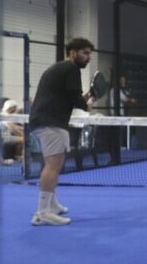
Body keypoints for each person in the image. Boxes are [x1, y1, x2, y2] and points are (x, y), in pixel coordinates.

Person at [27, 38, 96, 225]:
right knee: (52, 165)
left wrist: (87, 98)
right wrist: (88, 103)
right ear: (72, 53)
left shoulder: (60, 69)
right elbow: (76, 99)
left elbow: (69, 97)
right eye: (85, 53)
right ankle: (42, 213)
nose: (88, 57)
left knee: (55, 165)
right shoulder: (71, 69)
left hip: (47, 121)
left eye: (89, 53)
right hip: (50, 122)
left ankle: (52, 204)